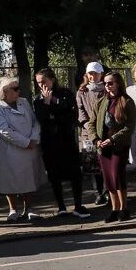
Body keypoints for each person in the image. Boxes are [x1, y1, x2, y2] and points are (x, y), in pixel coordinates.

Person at [33, 68, 90, 219]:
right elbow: (42, 119)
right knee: (54, 175)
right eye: (38, 83)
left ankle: (78, 206)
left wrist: (53, 103)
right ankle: (61, 207)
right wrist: (46, 103)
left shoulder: (65, 94)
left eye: (44, 82)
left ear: (52, 79)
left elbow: (70, 114)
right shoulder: (38, 99)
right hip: (50, 142)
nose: (41, 86)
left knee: (74, 174)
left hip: (66, 139)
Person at [0, 76, 46, 222]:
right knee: (11, 179)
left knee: (30, 177)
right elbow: (4, 130)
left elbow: (35, 122)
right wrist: (26, 142)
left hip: (30, 146)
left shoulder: (24, 102)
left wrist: (34, 138)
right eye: (15, 89)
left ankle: (29, 208)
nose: (18, 91)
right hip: (12, 149)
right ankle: (13, 209)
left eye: (18, 87)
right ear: (4, 91)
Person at [93, 72, 136, 223]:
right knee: (108, 179)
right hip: (103, 146)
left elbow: (129, 127)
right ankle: (114, 208)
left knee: (117, 175)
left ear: (118, 83)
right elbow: (92, 123)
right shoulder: (101, 102)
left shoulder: (126, 101)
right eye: (105, 83)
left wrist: (113, 139)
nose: (107, 86)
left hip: (118, 145)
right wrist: (96, 139)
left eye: (110, 83)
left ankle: (124, 209)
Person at [76, 62, 108, 205]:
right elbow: (80, 111)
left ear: (101, 74)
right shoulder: (82, 91)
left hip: (105, 131)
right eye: (90, 73)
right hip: (88, 133)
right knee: (92, 165)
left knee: (106, 162)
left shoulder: (106, 89)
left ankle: (108, 191)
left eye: (95, 73)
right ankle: (98, 193)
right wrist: (88, 126)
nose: (92, 76)